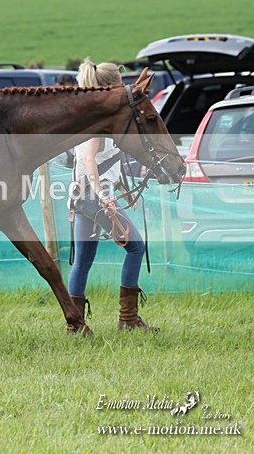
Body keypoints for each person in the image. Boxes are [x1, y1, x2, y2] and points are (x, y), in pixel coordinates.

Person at [67, 57, 157, 332]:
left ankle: (76, 325)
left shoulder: (93, 116)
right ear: (111, 86)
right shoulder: (100, 122)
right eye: (120, 82)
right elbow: (90, 161)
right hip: (95, 199)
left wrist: (119, 189)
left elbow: (104, 162)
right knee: (136, 247)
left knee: (82, 262)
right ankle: (127, 320)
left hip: (83, 198)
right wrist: (104, 196)